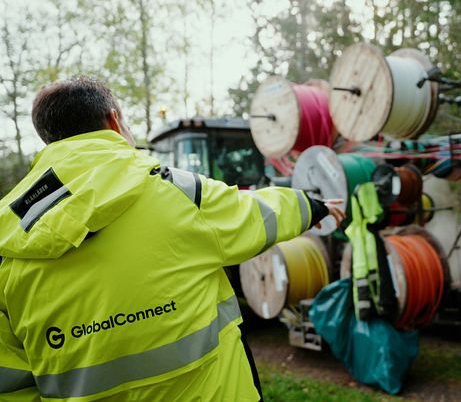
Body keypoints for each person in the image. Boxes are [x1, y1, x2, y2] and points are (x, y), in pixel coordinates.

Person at [0, 76, 345, 401]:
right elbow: (253, 213)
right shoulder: (177, 192)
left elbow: (9, 379)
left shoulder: (7, 237)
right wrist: (312, 206)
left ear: (49, 137)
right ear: (114, 121)